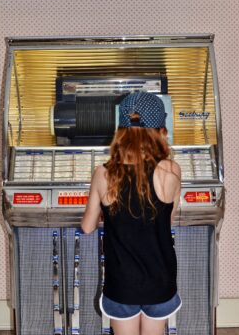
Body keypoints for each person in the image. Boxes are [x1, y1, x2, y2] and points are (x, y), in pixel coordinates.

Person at [81, 91, 182, 335]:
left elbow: (87, 226)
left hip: (122, 283)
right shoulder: (171, 170)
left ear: (121, 131)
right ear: (160, 129)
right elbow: (167, 220)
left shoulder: (104, 173)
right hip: (160, 281)